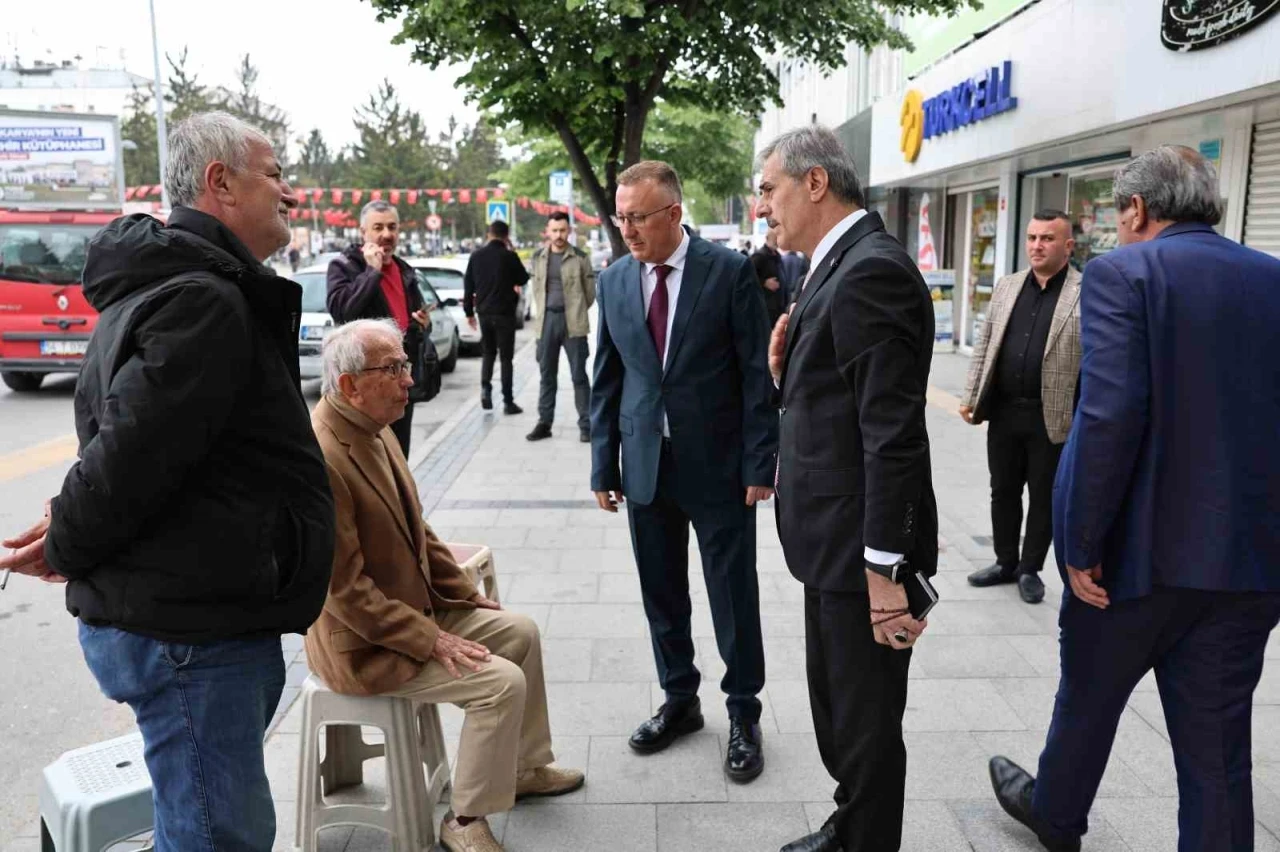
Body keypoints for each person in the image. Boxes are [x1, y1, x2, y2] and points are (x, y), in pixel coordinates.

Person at [0, 112, 336, 852]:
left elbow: (153, 448)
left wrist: (66, 530)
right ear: (221, 183)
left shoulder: (184, 287)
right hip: (190, 632)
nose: (288, 192)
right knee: (217, 837)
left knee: (200, 824)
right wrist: (66, 541)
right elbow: (127, 458)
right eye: (274, 174)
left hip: (194, 613)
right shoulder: (201, 299)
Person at [987, 147, 1280, 852]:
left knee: (1087, 700)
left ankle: (1056, 817)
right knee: (1217, 750)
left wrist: (1079, 542)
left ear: (1138, 209)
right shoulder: (1272, 278)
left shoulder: (1125, 273)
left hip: (1132, 560)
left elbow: (1109, 416)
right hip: (1245, 563)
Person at [307, 319, 584, 852]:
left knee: (520, 632)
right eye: (394, 368)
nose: (409, 379)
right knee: (499, 684)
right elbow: (344, 592)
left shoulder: (374, 424)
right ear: (349, 385)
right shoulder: (323, 456)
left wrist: (463, 591)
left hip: (408, 612)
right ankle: (464, 818)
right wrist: (431, 638)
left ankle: (523, 768)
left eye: (405, 364)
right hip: (363, 645)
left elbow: (417, 528)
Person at [758, 126, 937, 852]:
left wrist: (885, 573)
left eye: (768, 188)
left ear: (814, 182)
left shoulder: (871, 271)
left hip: (861, 556)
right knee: (839, 713)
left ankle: (866, 838)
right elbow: (841, 399)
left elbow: (892, 435)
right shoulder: (836, 264)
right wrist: (785, 374)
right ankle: (850, 826)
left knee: (865, 727)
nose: (761, 206)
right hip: (829, 544)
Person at [590, 160, 777, 784]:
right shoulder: (614, 280)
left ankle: (744, 711)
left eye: (638, 217)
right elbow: (607, 378)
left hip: (720, 467)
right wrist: (603, 465)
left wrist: (760, 462)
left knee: (732, 593)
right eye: (621, 217)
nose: (627, 230)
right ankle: (680, 700)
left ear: (673, 213)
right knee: (662, 591)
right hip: (646, 465)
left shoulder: (727, 272)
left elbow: (756, 374)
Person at [959, 210, 1082, 605]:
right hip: (1005, 411)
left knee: (1044, 496)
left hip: (1052, 414)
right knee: (1003, 490)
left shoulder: (1084, 291)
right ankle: (1005, 562)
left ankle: (1030, 570)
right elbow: (985, 343)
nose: (1036, 246)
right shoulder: (1008, 286)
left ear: (1068, 246)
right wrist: (971, 394)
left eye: (1047, 238)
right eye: (1032, 238)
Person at [325, 200, 431, 458]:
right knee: (369, 457)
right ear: (363, 232)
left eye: (392, 227)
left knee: (399, 454)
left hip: (399, 375)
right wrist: (372, 272)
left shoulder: (404, 269)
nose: (386, 234)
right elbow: (342, 312)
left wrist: (420, 323)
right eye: (378, 227)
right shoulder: (344, 266)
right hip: (366, 381)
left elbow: (409, 317)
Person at [527, 211, 596, 443]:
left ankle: (586, 425)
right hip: (546, 322)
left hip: (573, 323)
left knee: (579, 376)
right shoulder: (538, 257)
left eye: (563, 230)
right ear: (547, 231)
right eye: (554, 230)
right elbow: (536, 290)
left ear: (569, 231)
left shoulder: (580, 258)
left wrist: (576, 310)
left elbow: (589, 294)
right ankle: (544, 423)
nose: (558, 235)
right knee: (547, 375)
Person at [464, 219, 528, 414]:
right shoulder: (509, 256)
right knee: (506, 358)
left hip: (484, 313)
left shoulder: (476, 256)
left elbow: (468, 286)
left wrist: (469, 312)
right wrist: (512, 251)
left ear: (488, 235)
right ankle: (508, 402)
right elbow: (523, 278)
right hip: (505, 314)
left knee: (488, 353)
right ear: (506, 236)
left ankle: (485, 388)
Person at [750, 226, 788, 327]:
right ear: (767, 238)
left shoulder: (777, 256)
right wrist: (764, 283)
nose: (776, 240)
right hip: (766, 309)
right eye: (774, 237)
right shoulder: (759, 256)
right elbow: (748, 278)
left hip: (779, 306)